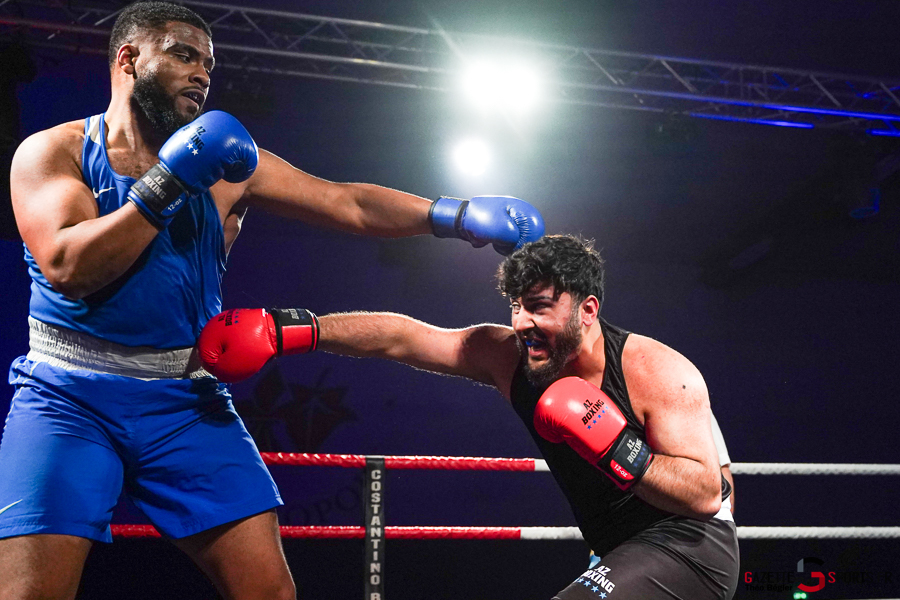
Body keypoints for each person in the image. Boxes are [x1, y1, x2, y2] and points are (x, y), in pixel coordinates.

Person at [0, 2, 544, 599]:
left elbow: (345, 202)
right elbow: (68, 266)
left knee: (271, 595)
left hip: (184, 399)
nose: (201, 73)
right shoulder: (54, 153)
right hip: (68, 397)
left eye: (208, 63)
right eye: (183, 55)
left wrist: (451, 215)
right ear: (129, 59)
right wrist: (172, 181)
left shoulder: (228, 167)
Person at [200, 234, 739, 599]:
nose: (522, 321)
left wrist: (621, 446)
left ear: (588, 309)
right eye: (515, 305)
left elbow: (706, 493)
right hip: (618, 550)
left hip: (691, 546)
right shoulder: (508, 358)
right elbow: (403, 337)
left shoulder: (657, 369)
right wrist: (296, 330)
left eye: (540, 306)